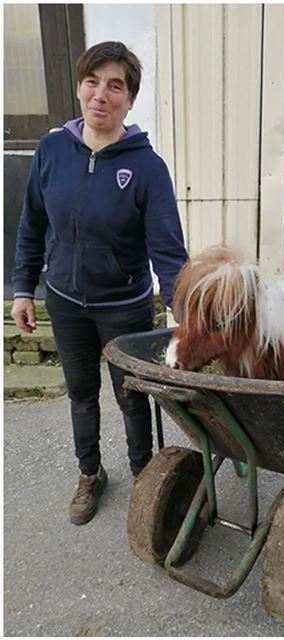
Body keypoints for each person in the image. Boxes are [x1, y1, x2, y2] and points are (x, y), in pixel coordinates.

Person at [11, 41, 187, 525]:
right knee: (81, 393)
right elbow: (31, 225)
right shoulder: (51, 151)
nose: (101, 94)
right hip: (65, 301)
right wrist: (23, 289)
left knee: (132, 398)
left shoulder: (148, 168)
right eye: (92, 82)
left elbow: (168, 252)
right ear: (79, 88)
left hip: (124, 307)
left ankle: (144, 477)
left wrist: (183, 310)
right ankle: (90, 474)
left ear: (130, 100)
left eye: (115, 85)